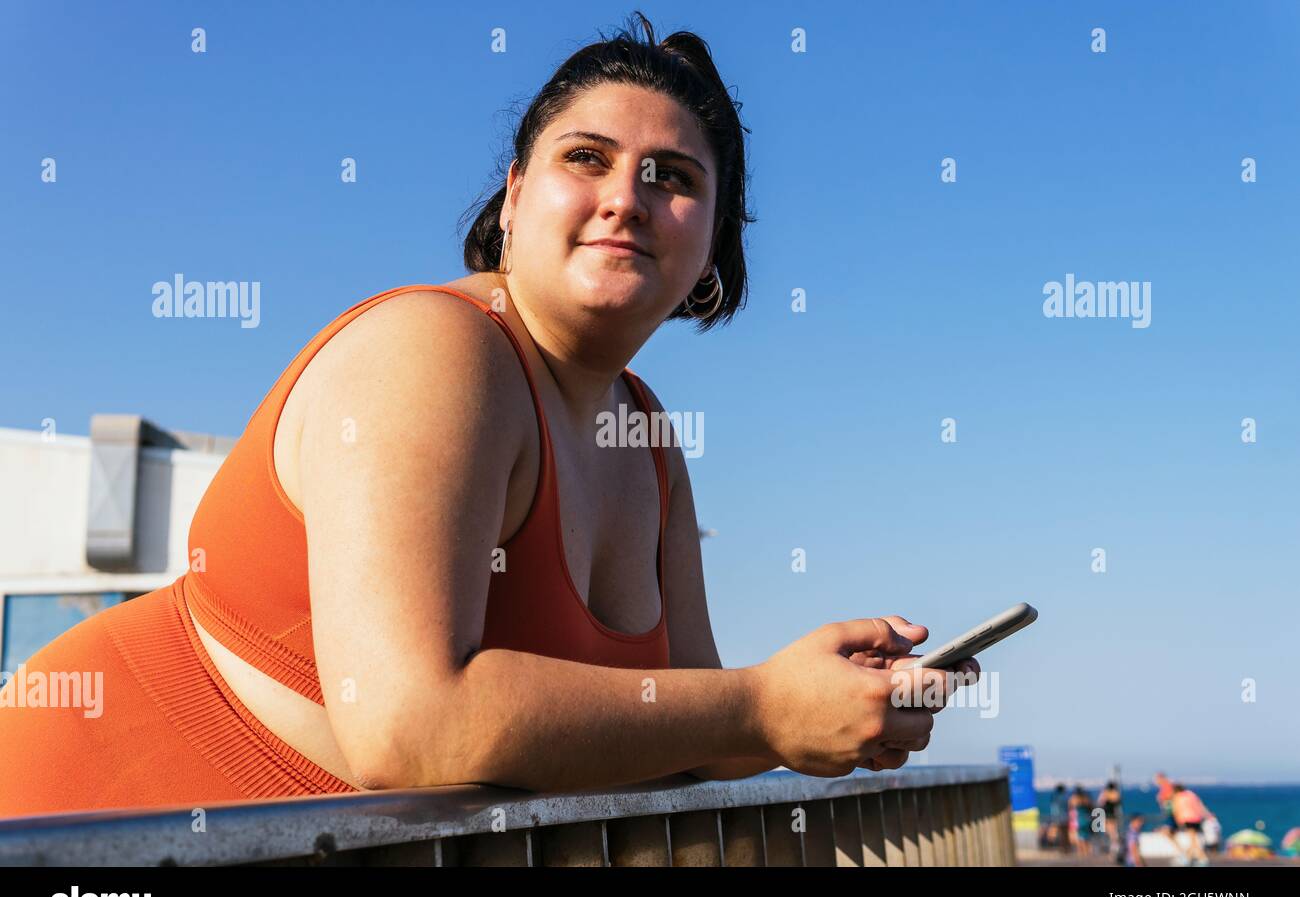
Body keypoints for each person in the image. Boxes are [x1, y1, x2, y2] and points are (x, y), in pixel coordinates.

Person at [0, 11, 978, 819]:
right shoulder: (437, 351)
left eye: (673, 178)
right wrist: (764, 707)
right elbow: (410, 727)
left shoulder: (651, 442)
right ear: (512, 200)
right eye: (587, 157)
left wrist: (840, 698)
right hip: (83, 823)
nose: (626, 198)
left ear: (713, 245)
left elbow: (690, 735)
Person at [1172, 784, 1211, 866]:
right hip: (1197, 818)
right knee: (1193, 839)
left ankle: (1202, 859)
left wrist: (1178, 820)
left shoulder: (1178, 797)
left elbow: (1176, 809)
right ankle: (1189, 858)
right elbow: (1200, 805)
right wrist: (1206, 815)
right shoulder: (1191, 794)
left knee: (1193, 840)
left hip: (1187, 818)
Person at [1097, 779, 1123, 859]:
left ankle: (1112, 851)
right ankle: (1114, 850)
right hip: (1113, 816)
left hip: (1106, 816)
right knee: (1113, 835)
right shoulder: (1116, 794)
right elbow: (1118, 802)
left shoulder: (1105, 794)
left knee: (1110, 834)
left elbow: (1099, 802)